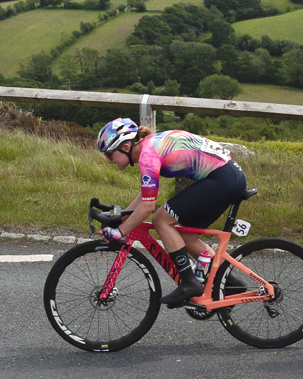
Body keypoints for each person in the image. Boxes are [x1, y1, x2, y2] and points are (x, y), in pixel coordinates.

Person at [96, 117, 250, 306]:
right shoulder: (150, 146)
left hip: (222, 179)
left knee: (161, 219)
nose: (108, 161)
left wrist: (120, 231)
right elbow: (146, 194)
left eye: (109, 155)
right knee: (185, 237)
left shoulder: (147, 155)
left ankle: (189, 282)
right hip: (226, 177)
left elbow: (147, 207)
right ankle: (230, 283)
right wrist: (124, 217)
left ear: (126, 148)